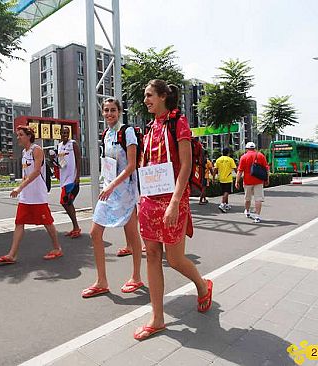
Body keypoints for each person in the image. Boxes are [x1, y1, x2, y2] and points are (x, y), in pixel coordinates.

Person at [135, 79, 212, 341]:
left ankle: (202, 286)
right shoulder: (148, 127)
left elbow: (186, 166)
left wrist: (175, 202)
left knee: (175, 259)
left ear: (162, 96)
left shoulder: (178, 122)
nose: (146, 100)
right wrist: (141, 197)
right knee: (153, 256)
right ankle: (157, 318)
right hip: (148, 199)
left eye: (149, 95)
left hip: (172, 199)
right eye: (145, 96)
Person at [81, 98, 143, 298]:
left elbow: (131, 165)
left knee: (132, 233)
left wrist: (112, 185)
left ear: (120, 111)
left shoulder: (128, 132)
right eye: (106, 110)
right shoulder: (106, 134)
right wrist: (105, 182)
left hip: (125, 191)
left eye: (113, 110)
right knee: (95, 232)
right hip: (108, 190)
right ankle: (102, 281)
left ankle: (136, 276)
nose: (109, 114)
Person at [0, 126, 61, 264]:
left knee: (47, 222)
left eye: (21, 134)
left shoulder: (37, 150)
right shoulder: (24, 152)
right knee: (19, 222)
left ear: (29, 136)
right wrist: (21, 188)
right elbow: (26, 175)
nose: (18, 137)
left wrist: (19, 188)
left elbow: (36, 172)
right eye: (17, 135)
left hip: (37, 195)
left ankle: (57, 248)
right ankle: (12, 255)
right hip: (26, 196)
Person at [235, 142, 269, 223]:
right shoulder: (261, 155)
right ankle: (257, 217)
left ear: (246, 149)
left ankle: (247, 211)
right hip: (259, 181)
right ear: (255, 148)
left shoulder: (243, 157)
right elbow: (266, 169)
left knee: (247, 198)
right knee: (258, 199)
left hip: (247, 181)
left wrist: (237, 181)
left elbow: (239, 171)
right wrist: (267, 179)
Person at [57, 126, 81, 238]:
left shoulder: (73, 144)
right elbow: (61, 163)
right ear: (60, 134)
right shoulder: (59, 146)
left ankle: (76, 227)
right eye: (63, 132)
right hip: (64, 179)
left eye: (67, 132)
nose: (65, 134)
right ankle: (75, 227)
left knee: (67, 202)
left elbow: (78, 159)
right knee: (65, 203)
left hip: (72, 179)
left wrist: (77, 176)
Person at [214, 147, 237, 213]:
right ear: (228, 153)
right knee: (227, 192)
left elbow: (215, 169)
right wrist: (238, 175)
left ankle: (226, 204)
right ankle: (222, 204)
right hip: (228, 178)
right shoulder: (230, 160)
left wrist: (213, 177)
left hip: (221, 178)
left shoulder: (218, 160)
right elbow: (235, 169)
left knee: (224, 192)